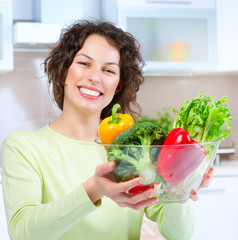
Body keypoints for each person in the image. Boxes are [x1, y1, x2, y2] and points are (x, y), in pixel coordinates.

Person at [2, 20, 213, 240]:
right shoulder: (23, 147)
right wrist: (94, 190)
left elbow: (179, 235)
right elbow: (22, 233)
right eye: (84, 63)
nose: (95, 77)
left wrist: (178, 186)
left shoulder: (134, 149)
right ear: (64, 70)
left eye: (109, 70)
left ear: (118, 85)